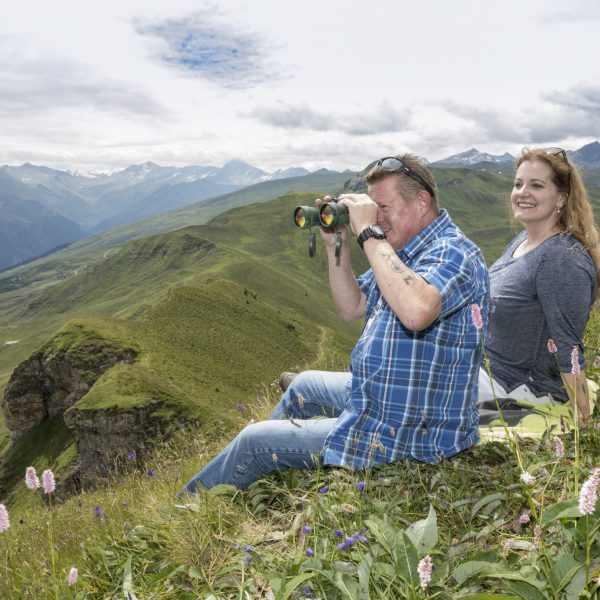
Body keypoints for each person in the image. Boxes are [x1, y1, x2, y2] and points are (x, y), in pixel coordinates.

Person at [178, 154, 489, 494]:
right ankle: (269, 474)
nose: (378, 218)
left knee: (253, 440)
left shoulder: (453, 252)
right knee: (304, 386)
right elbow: (352, 306)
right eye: (372, 209)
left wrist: (370, 233)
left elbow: (415, 312)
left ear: (422, 201)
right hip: (391, 400)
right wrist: (335, 244)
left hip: (408, 433)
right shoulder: (407, 251)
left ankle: (186, 513)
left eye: (383, 207)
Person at [478, 148, 600, 427]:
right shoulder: (523, 240)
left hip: (517, 389)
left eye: (536, 185)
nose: (522, 192)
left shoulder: (560, 258)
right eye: (518, 183)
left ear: (561, 198)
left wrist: (584, 423)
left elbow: (568, 347)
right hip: (485, 372)